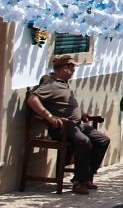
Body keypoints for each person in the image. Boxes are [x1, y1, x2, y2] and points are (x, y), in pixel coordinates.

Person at [27, 54, 110, 195]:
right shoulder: (51, 84)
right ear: (64, 68)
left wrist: (82, 114)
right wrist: (49, 116)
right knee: (84, 142)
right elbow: (32, 99)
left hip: (77, 125)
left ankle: (86, 177)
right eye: (72, 68)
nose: (73, 71)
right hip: (63, 129)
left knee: (102, 140)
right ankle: (79, 183)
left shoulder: (62, 83)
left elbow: (64, 105)